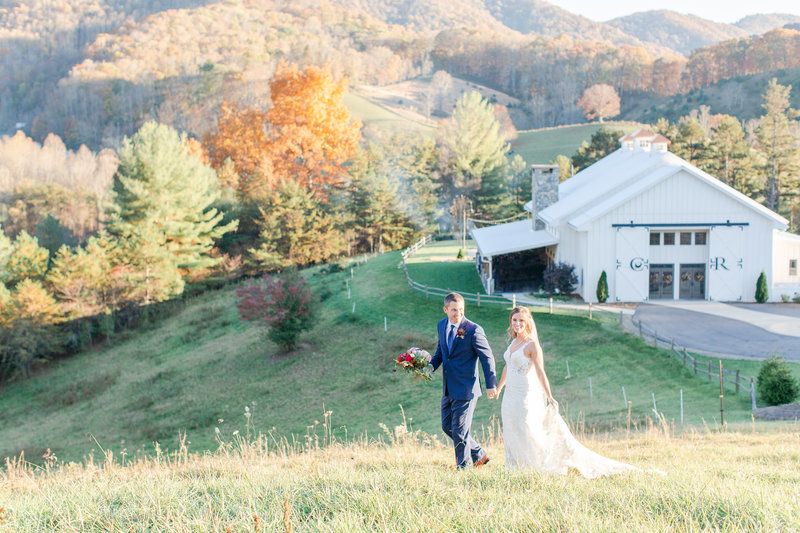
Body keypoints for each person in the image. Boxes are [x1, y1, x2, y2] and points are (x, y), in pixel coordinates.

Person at [497, 306, 637, 478]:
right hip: (509, 395)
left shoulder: (532, 345)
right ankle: (514, 467)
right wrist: (499, 387)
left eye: (521, 320)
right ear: (511, 322)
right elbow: (508, 366)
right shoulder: (513, 342)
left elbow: (540, 372)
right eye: (515, 320)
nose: (517, 323)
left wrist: (549, 395)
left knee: (527, 429)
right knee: (511, 428)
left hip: (524, 394)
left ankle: (533, 466)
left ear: (527, 323)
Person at [429, 292, 498, 469]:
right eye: (453, 310)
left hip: (467, 389)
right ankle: (479, 454)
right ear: (445, 309)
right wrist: (429, 367)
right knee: (447, 427)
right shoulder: (442, 325)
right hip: (449, 388)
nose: (457, 314)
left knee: (460, 430)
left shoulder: (473, 330)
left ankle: (464, 468)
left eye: (460, 310)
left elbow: (487, 357)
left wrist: (491, 384)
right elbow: (441, 352)